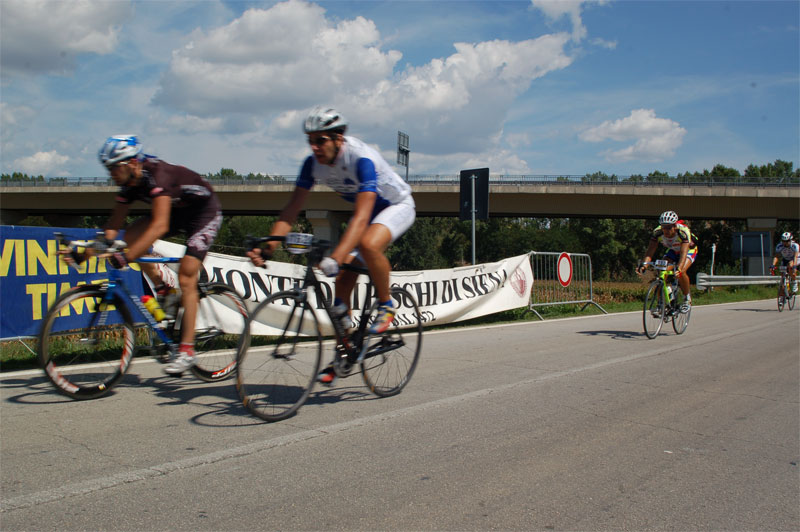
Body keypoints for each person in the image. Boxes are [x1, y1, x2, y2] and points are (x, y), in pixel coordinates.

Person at [247, 107, 416, 385]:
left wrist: (337, 256)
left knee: (368, 245)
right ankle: (346, 352)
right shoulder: (312, 164)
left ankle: (387, 305)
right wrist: (270, 245)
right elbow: (292, 208)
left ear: (339, 138)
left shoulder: (360, 158)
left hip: (397, 206)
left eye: (320, 140)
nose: (314, 147)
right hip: (369, 213)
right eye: (310, 140)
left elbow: (361, 217)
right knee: (342, 285)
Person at [93, 135, 222, 375]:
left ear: (132, 163)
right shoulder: (128, 185)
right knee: (129, 238)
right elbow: (113, 228)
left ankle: (187, 350)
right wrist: (86, 251)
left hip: (203, 213)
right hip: (176, 212)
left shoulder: (158, 176)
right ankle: (162, 288)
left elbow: (160, 227)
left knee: (186, 276)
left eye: (114, 168)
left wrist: (127, 257)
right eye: (108, 168)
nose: (111, 174)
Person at [636, 210, 698, 313]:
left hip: (688, 250)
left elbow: (683, 253)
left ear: (675, 226)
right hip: (673, 250)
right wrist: (644, 265)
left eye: (669, 227)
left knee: (681, 271)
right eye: (663, 227)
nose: (666, 230)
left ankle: (687, 299)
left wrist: (679, 267)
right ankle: (661, 304)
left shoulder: (682, 231)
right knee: (661, 272)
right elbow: (650, 251)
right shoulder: (657, 233)